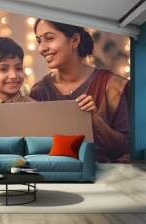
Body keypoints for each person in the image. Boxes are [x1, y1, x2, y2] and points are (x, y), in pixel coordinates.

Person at [29, 19, 130, 163]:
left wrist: (95, 121)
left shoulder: (112, 85)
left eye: (49, 38)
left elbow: (126, 148)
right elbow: (37, 149)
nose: (41, 48)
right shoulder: (39, 91)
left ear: (75, 40)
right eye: (39, 41)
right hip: (56, 172)